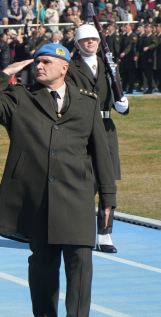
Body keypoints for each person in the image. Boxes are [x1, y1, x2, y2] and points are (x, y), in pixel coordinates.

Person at [0, 43, 117, 317]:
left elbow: (101, 154)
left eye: (46, 62)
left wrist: (108, 199)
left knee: (80, 268)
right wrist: (4, 74)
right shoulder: (21, 97)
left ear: (64, 67)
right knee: (42, 269)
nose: (39, 66)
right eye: (37, 61)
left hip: (77, 197)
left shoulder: (88, 103)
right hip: (39, 199)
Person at [66, 24, 129, 253]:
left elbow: (116, 92)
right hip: (83, 128)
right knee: (84, 181)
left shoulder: (108, 65)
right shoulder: (70, 68)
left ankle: (105, 234)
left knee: (108, 183)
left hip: (106, 127)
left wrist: (122, 105)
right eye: (86, 40)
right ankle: (76, 229)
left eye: (94, 39)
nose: (91, 42)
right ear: (77, 44)